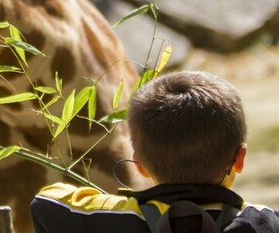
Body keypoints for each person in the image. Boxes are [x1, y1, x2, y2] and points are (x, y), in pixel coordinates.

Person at [30, 70, 279, 232]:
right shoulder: (264, 223)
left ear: (138, 164)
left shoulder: (108, 219)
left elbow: (45, 201)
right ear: (240, 159)